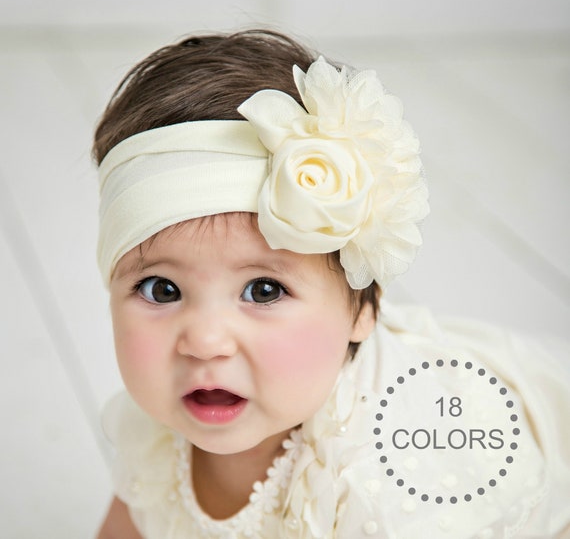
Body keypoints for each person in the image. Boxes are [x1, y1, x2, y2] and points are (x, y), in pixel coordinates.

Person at [94, 30, 570, 538]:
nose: (206, 341)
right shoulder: (158, 429)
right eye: (162, 290)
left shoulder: (390, 482)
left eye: (263, 291)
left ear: (364, 309)